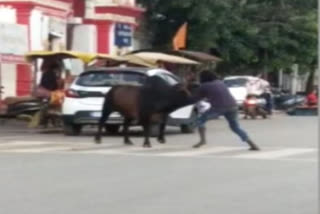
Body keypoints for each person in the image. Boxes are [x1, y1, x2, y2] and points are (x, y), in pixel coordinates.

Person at [192, 70, 260, 151]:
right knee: (235, 127)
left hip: (218, 108)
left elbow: (194, 99)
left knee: (200, 121)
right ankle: (252, 144)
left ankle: (202, 140)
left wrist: (185, 90)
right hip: (233, 106)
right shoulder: (220, 82)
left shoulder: (204, 86)